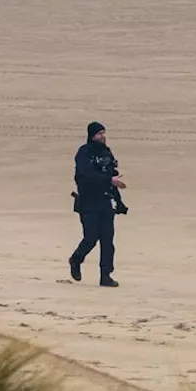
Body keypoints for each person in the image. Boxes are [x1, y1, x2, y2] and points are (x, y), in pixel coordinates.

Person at [68, 121, 127, 288]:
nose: (102, 136)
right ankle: (75, 260)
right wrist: (109, 180)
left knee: (107, 240)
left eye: (103, 133)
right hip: (88, 202)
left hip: (105, 202)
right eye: (99, 134)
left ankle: (105, 275)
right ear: (91, 135)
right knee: (91, 237)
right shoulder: (84, 153)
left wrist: (119, 202)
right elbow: (87, 175)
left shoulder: (107, 153)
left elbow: (112, 178)